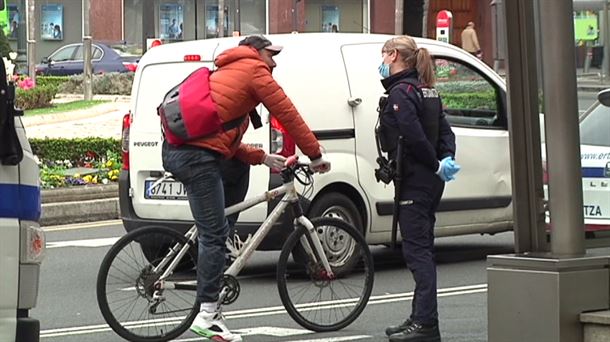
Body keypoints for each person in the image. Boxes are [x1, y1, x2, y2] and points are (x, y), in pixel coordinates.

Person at [161, 35, 331, 342]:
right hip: (194, 159)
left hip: (187, 152)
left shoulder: (230, 72)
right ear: (254, 51)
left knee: (235, 176)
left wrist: (264, 158)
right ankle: (208, 316)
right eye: (271, 53)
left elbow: (225, 141)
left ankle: (218, 248)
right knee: (213, 234)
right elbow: (288, 114)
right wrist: (315, 154)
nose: (275, 60)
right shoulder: (254, 71)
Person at [376, 36, 460, 342]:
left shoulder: (403, 91)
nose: (382, 61)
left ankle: (426, 324)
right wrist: (445, 158)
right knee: (422, 247)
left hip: (416, 179)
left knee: (418, 253)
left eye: (384, 55)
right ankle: (419, 317)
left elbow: (411, 135)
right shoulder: (427, 89)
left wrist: (434, 163)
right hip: (429, 181)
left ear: (395, 55)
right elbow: (446, 131)